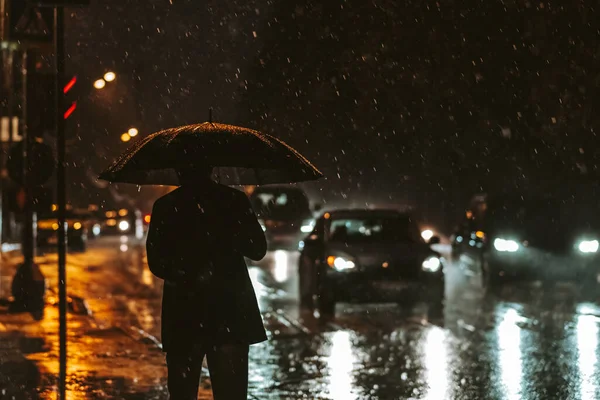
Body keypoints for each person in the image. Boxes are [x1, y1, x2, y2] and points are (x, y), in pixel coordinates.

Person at [146, 165, 267, 400]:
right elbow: (257, 249)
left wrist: (186, 271)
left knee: (182, 393)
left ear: (179, 170)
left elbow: (157, 262)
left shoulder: (166, 206)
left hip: (184, 315)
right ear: (211, 168)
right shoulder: (234, 201)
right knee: (231, 393)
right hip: (229, 313)